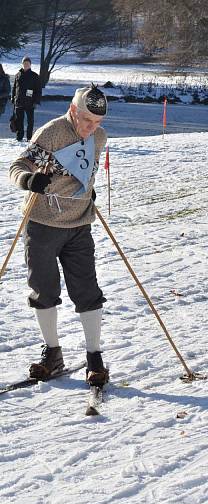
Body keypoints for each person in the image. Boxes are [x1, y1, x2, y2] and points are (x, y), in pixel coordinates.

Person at [7, 85, 110, 386]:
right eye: (88, 121)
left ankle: (95, 356)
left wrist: (88, 192)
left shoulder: (99, 138)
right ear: (74, 111)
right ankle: (52, 353)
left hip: (79, 224)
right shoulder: (52, 133)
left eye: (98, 123)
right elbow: (18, 166)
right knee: (43, 289)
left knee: (87, 290)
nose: (92, 129)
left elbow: (85, 172)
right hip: (42, 224)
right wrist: (29, 179)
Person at [11, 56, 41, 142]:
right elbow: (14, 88)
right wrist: (13, 98)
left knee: (30, 121)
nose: (26, 65)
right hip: (19, 101)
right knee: (19, 121)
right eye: (24, 63)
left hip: (30, 102)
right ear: (22, 64)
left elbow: (38, 90)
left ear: (30, 65)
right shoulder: (18, 75)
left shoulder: (34, 76)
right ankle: (19, 137)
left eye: (27, 63)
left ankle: (29, 137)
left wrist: (36, 101)